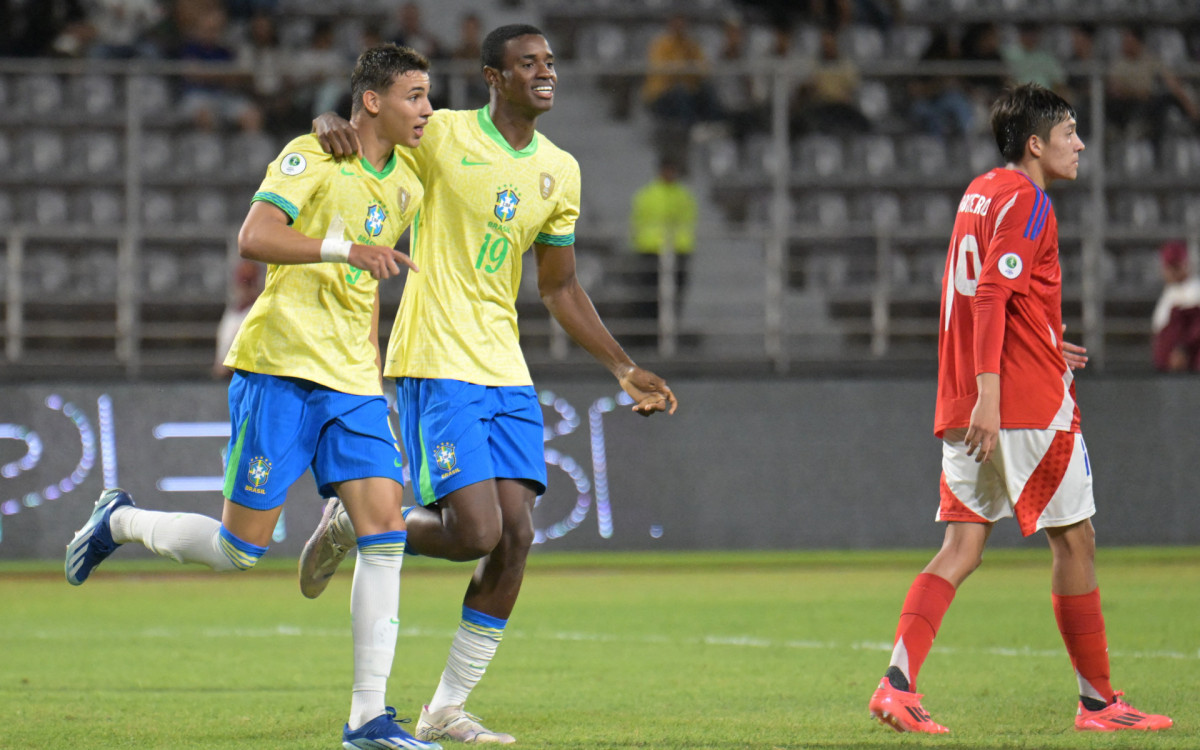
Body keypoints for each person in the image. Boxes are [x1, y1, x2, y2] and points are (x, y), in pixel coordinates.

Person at [303, 24, 679, 745]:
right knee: (475, 531)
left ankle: (445, 707)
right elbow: (371, 126)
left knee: (517, 537)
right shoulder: (441, 133)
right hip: (434, 358)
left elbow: (560, 285)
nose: (546, 72)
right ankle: (358, 521)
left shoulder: (560, 169)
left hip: (504, 366)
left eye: (551, 61)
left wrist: (623, 366)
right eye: (528, 63)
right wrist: (329, 121)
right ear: (492, 77)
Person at [64, 44, 443, 750]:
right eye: (415, 96)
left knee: (386, 535)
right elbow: (255, 236)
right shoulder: (312, 153)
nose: (426, 109)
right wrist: (344, 249)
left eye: (428, 95)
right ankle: (119, 522)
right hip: (278, 366)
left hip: (353, 382)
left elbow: (365, 289)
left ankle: (368, 718)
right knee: (240, 551)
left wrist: (371, 364)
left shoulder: (410, 187)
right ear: (373, 101)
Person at [866, 83, 1173, 734]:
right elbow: (988, 294)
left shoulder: (979, 192)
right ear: (1035, 144)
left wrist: (1037, 339)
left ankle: (896, 685)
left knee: (962, 546)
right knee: (1077, 539)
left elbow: (989, 292)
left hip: (970, 396)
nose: (1079, 143)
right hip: (1021, 404)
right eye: (1068, 133)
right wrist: (993, 394)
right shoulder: (1031, 201)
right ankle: (1098, 704)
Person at [629, 155, 698, 325]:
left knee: (675, 294)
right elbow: (637, 221)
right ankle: (650, 332)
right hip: (650, 249)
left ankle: (668, 331)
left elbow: (688, 222)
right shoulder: (647, 194)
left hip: (678, 249)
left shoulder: (683, 195)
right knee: (649, 295)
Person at [1151, 239, 1200, 372]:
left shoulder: (1194, 291)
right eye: (1169, 267)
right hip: (1167, 369)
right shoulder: (1169, 292)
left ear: (1186, 265)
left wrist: (1183, 349)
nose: (1172, 272)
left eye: (1176, 266)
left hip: (1188, 370)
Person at [212, 258, 262, 379]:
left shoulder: (259, 313)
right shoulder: (232, 312)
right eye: (242, 283)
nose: (244, 289)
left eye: (249, 284)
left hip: (245, 379)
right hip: (225, 379)